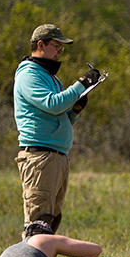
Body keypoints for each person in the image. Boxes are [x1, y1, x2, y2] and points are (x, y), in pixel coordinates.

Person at [13, 23, 101, 232]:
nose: (61, 51)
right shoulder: (29, 75)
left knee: (52, 221)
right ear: (41, 45)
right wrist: (81, 84)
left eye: (62, 47)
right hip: (40, 158)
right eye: (57, 46)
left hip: (56, 157)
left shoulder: (51, 78)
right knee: (38, 223)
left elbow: (59, 116)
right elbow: (53, 104)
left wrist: (75, 111)